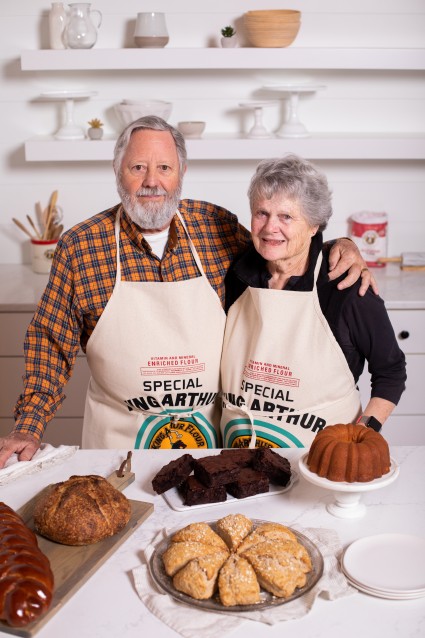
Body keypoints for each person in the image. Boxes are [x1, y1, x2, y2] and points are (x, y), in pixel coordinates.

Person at [0, 119, 375, 466]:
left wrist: (337, 245)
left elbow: (281, 248)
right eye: (137, 168)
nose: (152, 181)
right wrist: (28, 428)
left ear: (181, 174)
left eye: (164, 167)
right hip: (118, 450)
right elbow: (51, 343)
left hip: (211, 451)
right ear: (118, 173)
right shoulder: (82, 246)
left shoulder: (216, 226)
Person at [221, 154, 406, 448]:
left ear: (313, 226)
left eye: (286, 216)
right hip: (236, 454)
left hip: (321, 459)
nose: (270, 227)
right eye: (262, 213)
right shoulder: (235, 276)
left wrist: (363, 436)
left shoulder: (347, 287)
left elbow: (391, 371)